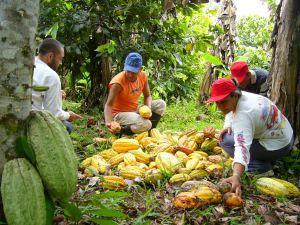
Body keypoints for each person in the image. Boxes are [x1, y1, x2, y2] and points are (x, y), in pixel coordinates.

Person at [207, 78, 294, 196]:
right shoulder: (243, 96)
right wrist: (228, 124)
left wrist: (236, 176)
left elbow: (241, 147)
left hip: (278, 146)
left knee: (226, 141)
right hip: (286, 136)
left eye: (223, 102)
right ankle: (266, 159)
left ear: (235, 96)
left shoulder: (245, 114)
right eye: (217, 102)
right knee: (228, 135)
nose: (220, 107)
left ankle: (261, 167)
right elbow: (230, 112)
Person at [104, 52, 166, 135]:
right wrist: (109, 122)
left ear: (140, 69)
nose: (130, 75)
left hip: (133, 110)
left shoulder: (143, 76)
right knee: (146, 124)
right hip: (119, 114)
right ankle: (121, 131)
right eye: (128, 71)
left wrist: (148, 108)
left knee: (161, 104)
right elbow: (109, 105)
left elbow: (147, 96)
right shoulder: (117, 83)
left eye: (133, 72)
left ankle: (149, 132)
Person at [32, 38, 82, 133]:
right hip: (32, 122)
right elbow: (53, 114)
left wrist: (56, 93)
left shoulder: (27, 64)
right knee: (68, 127)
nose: (60, 63)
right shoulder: (51, 75)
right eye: (60, 59)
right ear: (50, 56)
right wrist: (68, 115)